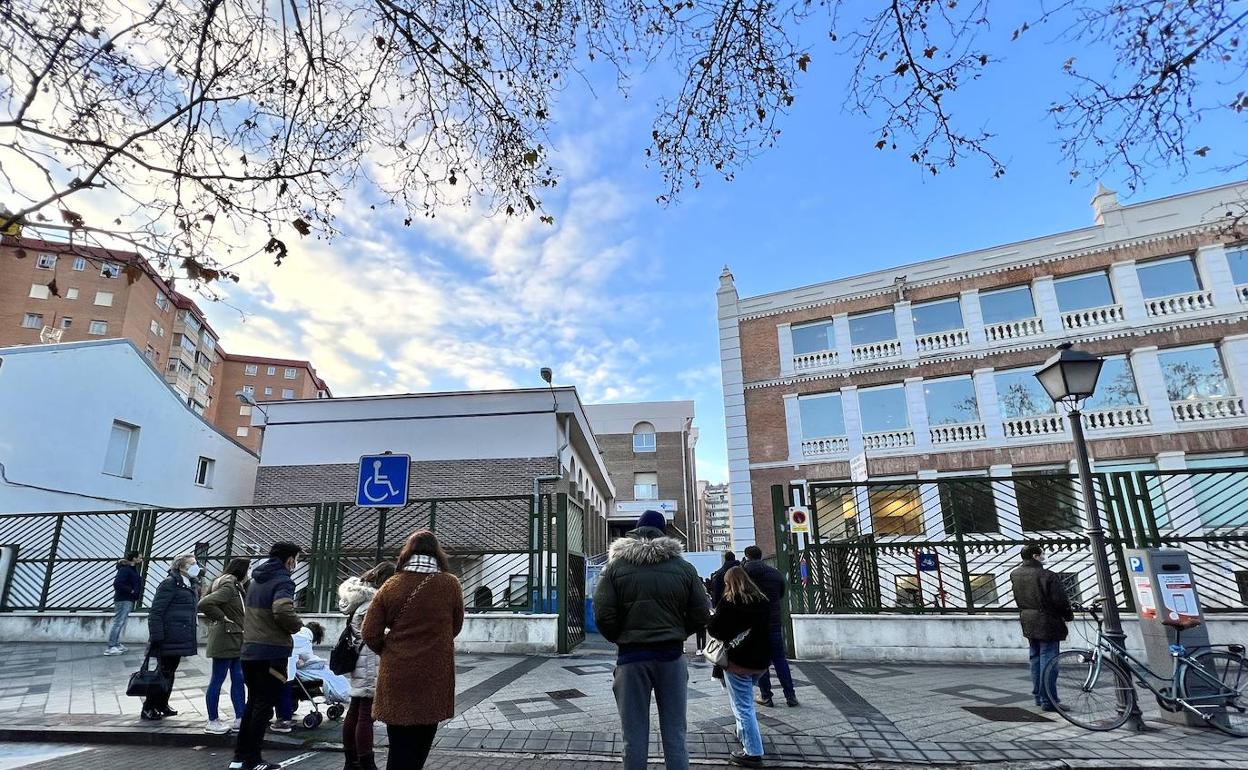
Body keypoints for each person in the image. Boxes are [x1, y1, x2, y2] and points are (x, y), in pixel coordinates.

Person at [593, 510, 711, 770]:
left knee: (633, 736)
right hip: (671, 656)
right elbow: (701, 612)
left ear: (636, 531)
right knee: (676, 734)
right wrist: (678, 633)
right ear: (663, 533)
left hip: (631, 659)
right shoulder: (684, 568)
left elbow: (603, 613)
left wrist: (621, 637)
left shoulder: (615, 568)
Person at [362, 531, 464, 770]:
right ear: (437, 553)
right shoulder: (450, 584)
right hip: (434, 676)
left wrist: (391, 651)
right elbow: (455, 627)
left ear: (407, 552)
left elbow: (369, 633)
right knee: (420, 748)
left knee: (398, 748)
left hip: (396, 675)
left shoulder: (392, 584)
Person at [231, 542, 304, 770]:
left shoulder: (255, 579)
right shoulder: (283, 580)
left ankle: (240, 757)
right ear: (290, 560)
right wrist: (296, 625)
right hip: (271, 651)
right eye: (296, 559)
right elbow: (282, 609)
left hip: (250, 649)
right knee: (263, 707)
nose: (296, 564)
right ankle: (253, 760)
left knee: (253, 704)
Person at [708, 566, 773, 769]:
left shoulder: (729, 602)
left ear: (729, 583)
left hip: (737, 662)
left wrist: (713, 616)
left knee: (743, 706)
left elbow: (715, 629)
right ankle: (744, 734)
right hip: (760, 662)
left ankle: (752, 752)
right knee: (742, 701)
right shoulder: (762, 600)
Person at [338, 562, 396, 770]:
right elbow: (373, 633)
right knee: (365, 713)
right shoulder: (373, 602)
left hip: (360, 657)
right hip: (370, 658)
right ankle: (366, 762)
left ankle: (350, 761)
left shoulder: (359, 599)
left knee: (355, 709)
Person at [1009, 544, 1073, 712]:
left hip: (1028, 619)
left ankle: (1038, 696)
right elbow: (1060, 601)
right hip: (1047, 621)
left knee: (1035, 658)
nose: (1044, 556)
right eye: (1042, 554)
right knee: (1049, 660)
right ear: (1036, 556)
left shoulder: (1015, 574)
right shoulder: (1047, 575)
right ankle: (1049, 699)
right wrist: (1068, 616)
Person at [142, 553, 200, 721]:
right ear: (181, 567)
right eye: (192, 564)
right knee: (162, 672)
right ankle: (149, 707)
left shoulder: (189, 583)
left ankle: (162, 704)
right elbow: (156, 612)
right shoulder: (170, 583)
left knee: (170, 672)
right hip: (167, 636)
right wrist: (157, 636)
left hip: (179, 636)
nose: (196, 566)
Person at [741, 545, 799, 708]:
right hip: (773, 623)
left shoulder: (743, 575)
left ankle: (766, 695)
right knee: (780, 659)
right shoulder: (774, 573)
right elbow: (781, 594)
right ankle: (790, 695)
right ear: (761, 556)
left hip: (754, 625)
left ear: (747, 556)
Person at [199, 557, 250, 734]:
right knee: (218, 679)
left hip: (234, 638)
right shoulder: (229, 585)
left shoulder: (230, 583)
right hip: (226, 638)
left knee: (238, 677)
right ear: (242, 571)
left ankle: (240, 717)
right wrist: (222, 618)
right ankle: (212, 721)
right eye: (248, 570)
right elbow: (205, 603)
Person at [290, 621, 350, 703]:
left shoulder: (298, 635)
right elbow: (307, 658)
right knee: (332, 676)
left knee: (331, 675)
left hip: (295, 669)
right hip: (301, 670)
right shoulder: (304, 639)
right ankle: (344, 694)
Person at [105, 551, 143, 655]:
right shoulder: (125, 569)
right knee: (118, 622)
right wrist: (131, 591)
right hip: (123, 599)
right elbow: (117, 583)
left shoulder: (131, 569)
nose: (141, 559)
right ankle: (111, 647)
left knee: (121, 622)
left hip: (127, 599)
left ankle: (116, 644)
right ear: (134, 558)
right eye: (139, 557)